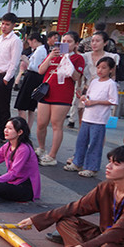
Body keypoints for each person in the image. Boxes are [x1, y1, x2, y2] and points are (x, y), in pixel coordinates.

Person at [63, 57, 118, 178]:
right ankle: (77, 162)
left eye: (104, 68)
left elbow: (113, 101)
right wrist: (84, 98)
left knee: (95, 143)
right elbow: (88, 96)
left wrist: (95, 102)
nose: (100, 70)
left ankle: (91, 167)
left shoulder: (111, 84)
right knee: (81, 141)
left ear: (111, 69)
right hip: (87, 117)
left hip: (99, 119)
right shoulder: (94, 81)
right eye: (98, 67)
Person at [36, 32, 85, 166]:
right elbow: (41, 71)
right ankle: (41, 148)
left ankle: (52, 155)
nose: (65, 43)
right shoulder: (54, 55)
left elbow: (76, 77)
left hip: (62, 95)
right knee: (41, 123)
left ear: (76, 44)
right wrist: (51, 56)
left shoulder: (78, 58)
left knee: (57, 125)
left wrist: (67, 59)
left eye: (69, 41)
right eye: (63, 40)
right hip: (46, 92)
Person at [0, 13, 23, 141]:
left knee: (3, 107)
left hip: (4, 76)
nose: (4, 26)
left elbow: (14, 61)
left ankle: (2, 134)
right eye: (3, 23)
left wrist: (7, 78)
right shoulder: (0, 39)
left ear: (13, 25)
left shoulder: (15, 41)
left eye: (7, 24)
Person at [73, 32, 120, 127]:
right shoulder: (85, 56)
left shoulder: (112, 57)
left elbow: (113, 75)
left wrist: (112, 88)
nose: (94, 43)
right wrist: (78, 87)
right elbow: (80, 74)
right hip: (86, 90)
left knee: (99, 125)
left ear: (105, 43)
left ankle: (97, 142)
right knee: (83, 122)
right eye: (92, 41)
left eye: (97, 41)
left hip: (102, 92)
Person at [13, 32, 48, 130]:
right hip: (34, 77)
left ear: (34, 41)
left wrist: (25, 60)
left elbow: (35, 67)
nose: (30, 45)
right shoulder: (40, 50)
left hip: (32, 77)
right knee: (30, 107)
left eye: (30, 43)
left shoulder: (40, 51)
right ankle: (27, 127)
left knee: (23, 105)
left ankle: (23, 128)